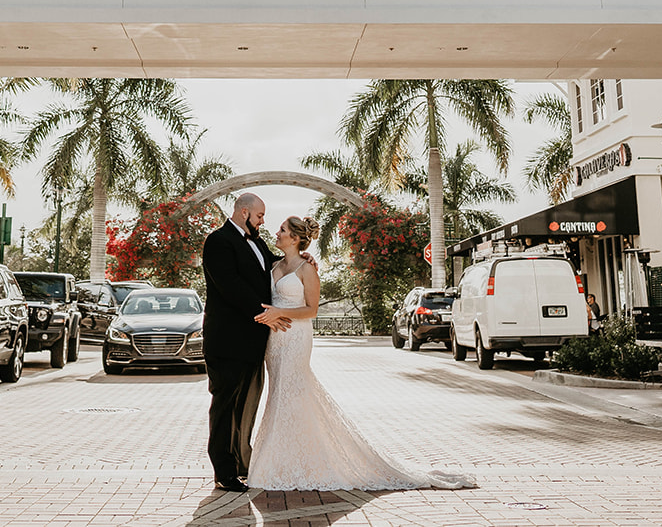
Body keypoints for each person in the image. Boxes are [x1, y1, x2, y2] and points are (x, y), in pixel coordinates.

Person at [246, 214, 476, 492]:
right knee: (279, 395)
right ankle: (283, 460)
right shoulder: (273, 265)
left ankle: (303, 462)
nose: (277, 233)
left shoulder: (307, 270)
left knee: (292, 393)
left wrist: (280, 312)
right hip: (275, 341)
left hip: (296, 338)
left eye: (282, 230)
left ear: (295, 238)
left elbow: (312, 311)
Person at [201, 192, 291, 492]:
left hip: (254, 342)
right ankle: (223, 472)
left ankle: (241, 464)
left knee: (246, 406)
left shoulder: (258, 243)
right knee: (226, 406)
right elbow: (231, 286)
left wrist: (297, 259)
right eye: (260, 215)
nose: (263, 221)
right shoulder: (218, 241)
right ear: (243, 212)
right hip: (227, 341)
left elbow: (267, 267)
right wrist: (267, 315)